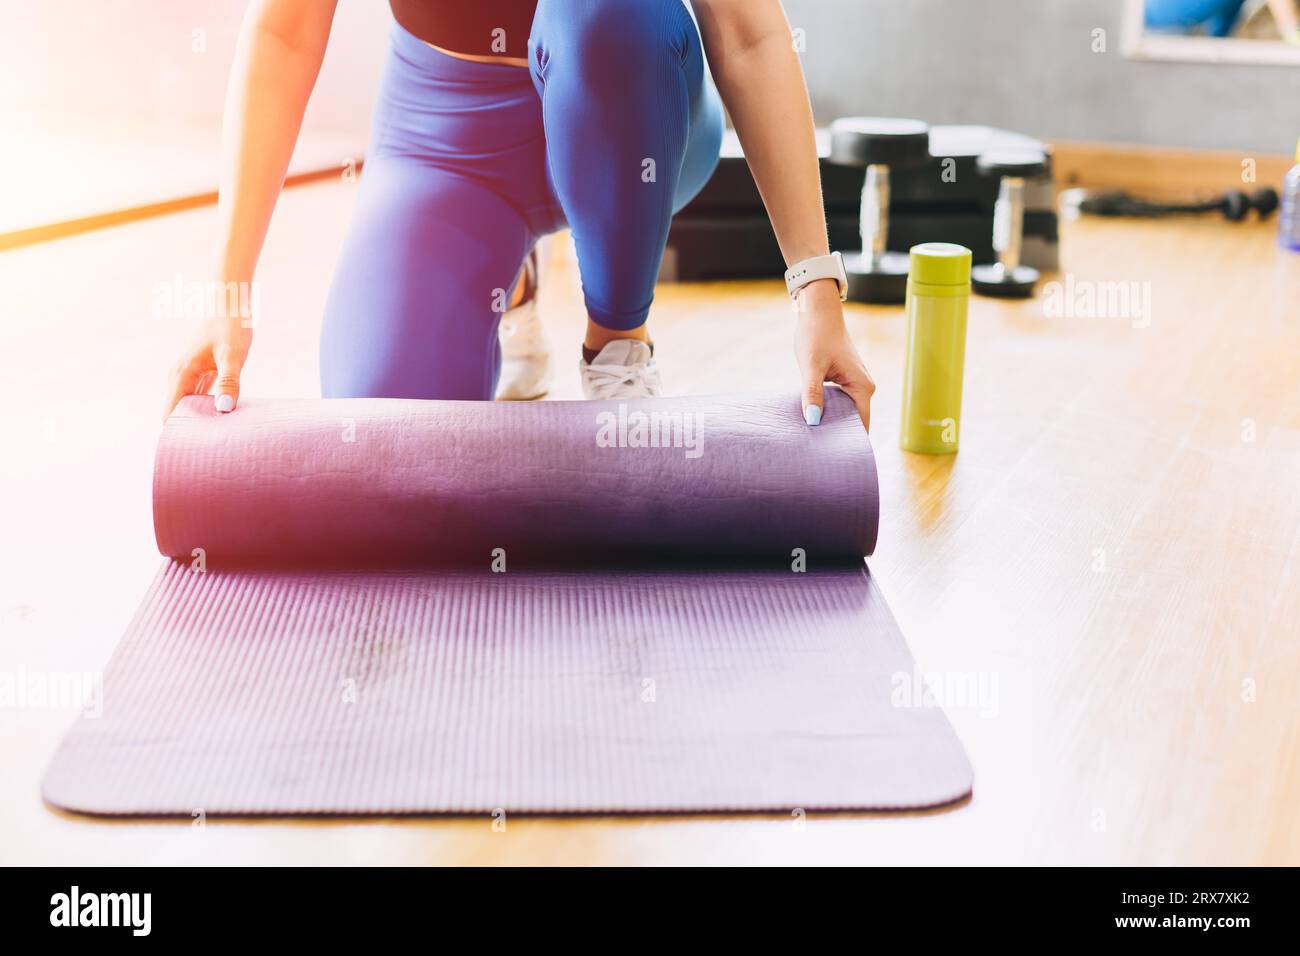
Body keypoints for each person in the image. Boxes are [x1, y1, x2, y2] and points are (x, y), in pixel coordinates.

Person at [165, 0, 875, 430]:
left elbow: (748, 34)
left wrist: (815, 291)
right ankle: (512, 280)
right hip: (448, 138)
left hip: (638, 116)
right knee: (386, 423)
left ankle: (618, 339)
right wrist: (228, 293)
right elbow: (283, 35)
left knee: (603, 16)